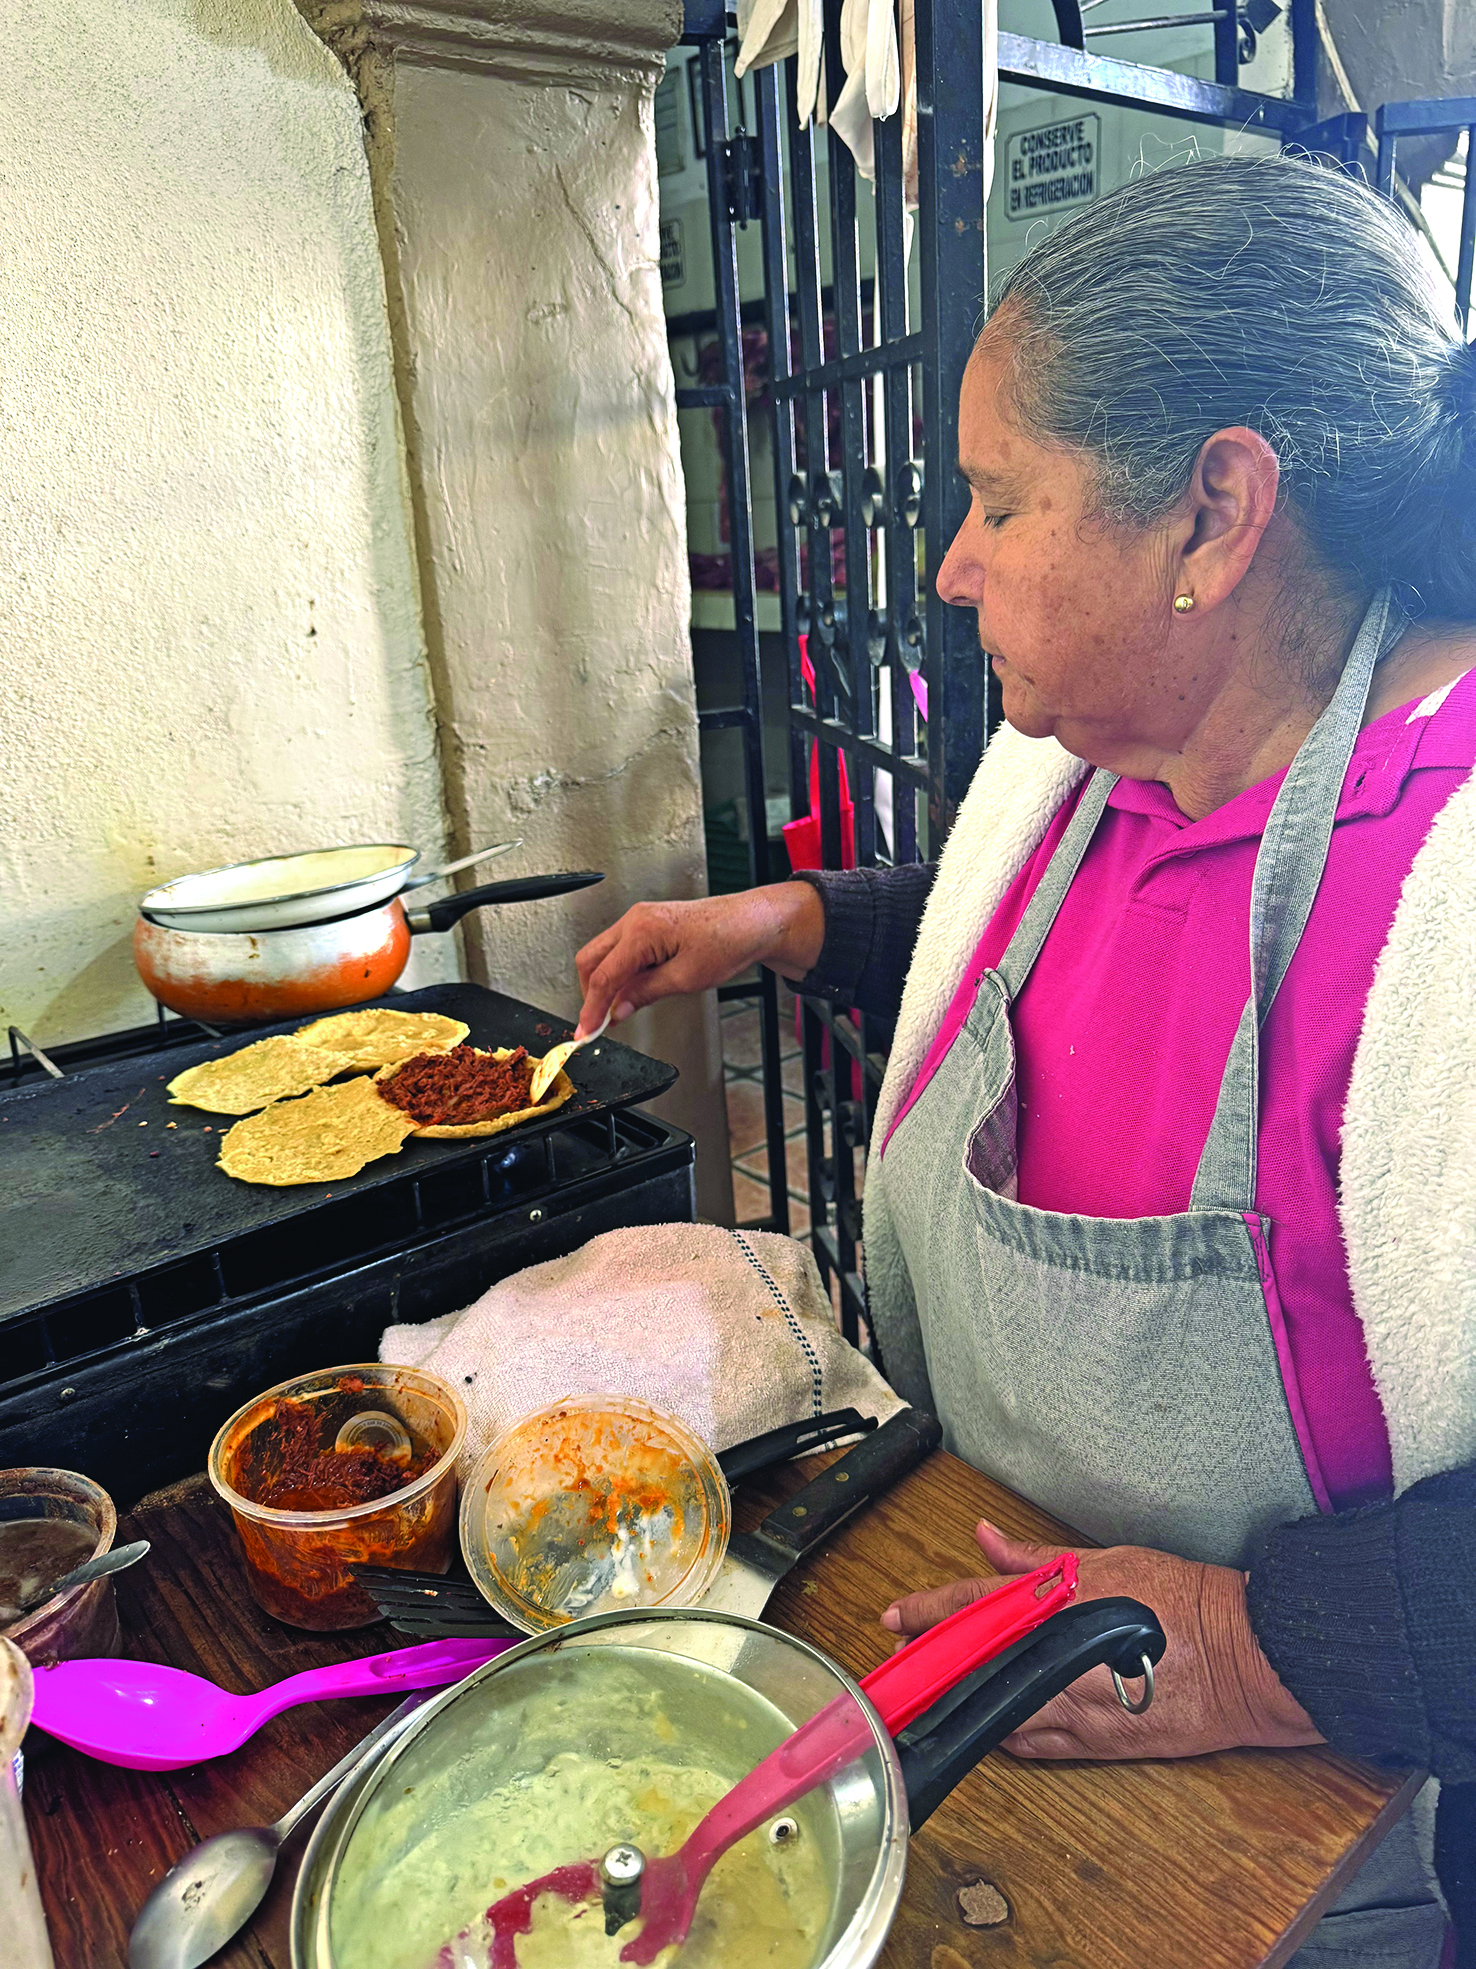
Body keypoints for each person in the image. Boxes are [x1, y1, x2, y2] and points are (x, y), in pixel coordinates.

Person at [575, 154, 1476, 1967]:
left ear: (1216, 516)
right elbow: (1084, 960)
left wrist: (1256, 1648)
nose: (951, 559)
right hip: (972, 1612)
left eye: (1002, 497)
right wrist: (802, 921)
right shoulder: (1098, 763)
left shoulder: (1444, 871)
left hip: (1304, 1790)